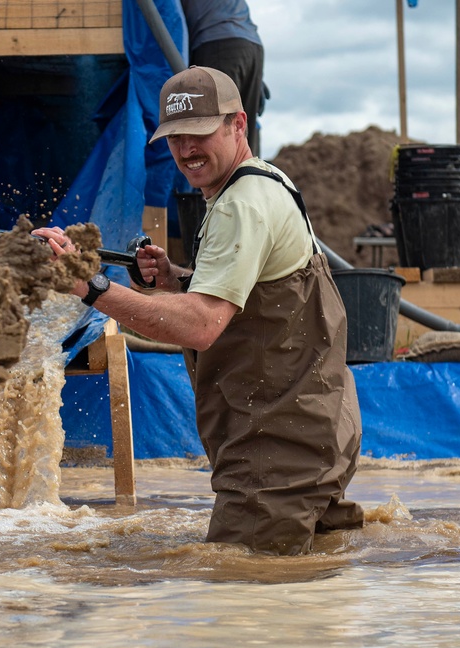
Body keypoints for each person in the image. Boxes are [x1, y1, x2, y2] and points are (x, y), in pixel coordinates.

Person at [34, 66, 363, 555]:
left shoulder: (238, 205)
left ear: (238, 125)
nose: (187, 150)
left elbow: (203, 325)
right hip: (318, 434)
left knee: (239, 599)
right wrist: (176, 280)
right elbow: (264, 293)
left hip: (273, 451)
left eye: (201, 133)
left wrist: (89, 287)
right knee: (312, 590)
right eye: (176, 137)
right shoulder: (267, 182)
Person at [180, 0, 264, 156]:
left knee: (215, 126)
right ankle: (249, 177)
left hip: (216, 43)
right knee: (244, 131)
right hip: (251, 45)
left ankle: (231, 179)